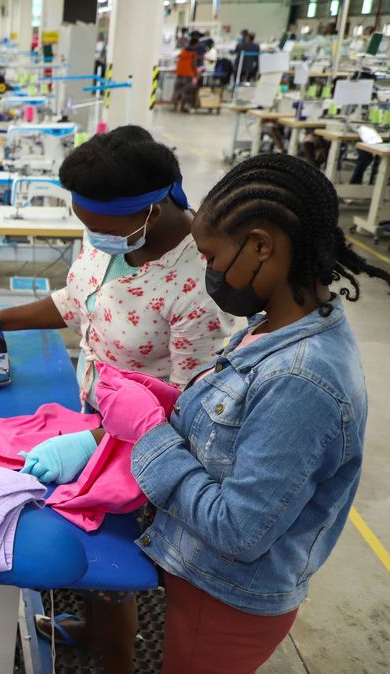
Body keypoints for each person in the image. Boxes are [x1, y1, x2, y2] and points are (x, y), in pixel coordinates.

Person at [0, 126, 237, 673]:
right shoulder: (115, 237)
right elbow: (73, 303)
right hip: (96, 415)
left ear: (149, 209)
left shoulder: (197, 284)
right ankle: (94, 631)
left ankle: (118, 659)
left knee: (111, 568)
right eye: (86, 225)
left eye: (100, 227)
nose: (92, 236)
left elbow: (193, 404)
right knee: (83, 534)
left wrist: (96, 442)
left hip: (142, 442)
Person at [118, 153, 386, 672]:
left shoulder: (301, 377)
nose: (209, 273)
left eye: (213, 258)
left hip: (224, 598)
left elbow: (238, 530)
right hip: (203, 581)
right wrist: (174, 403)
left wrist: (151, 434)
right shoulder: (275, 326)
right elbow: (239, 432)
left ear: (261, 245)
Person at [173, 35, 201, 113]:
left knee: (178, 90)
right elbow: (194, 64)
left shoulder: (183, 51)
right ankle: (182, 107)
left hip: (179, 73)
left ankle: (175, 106)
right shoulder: (193, 53)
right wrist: (196, 74)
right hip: (188, 74)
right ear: (195, 44)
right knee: (187, 91)